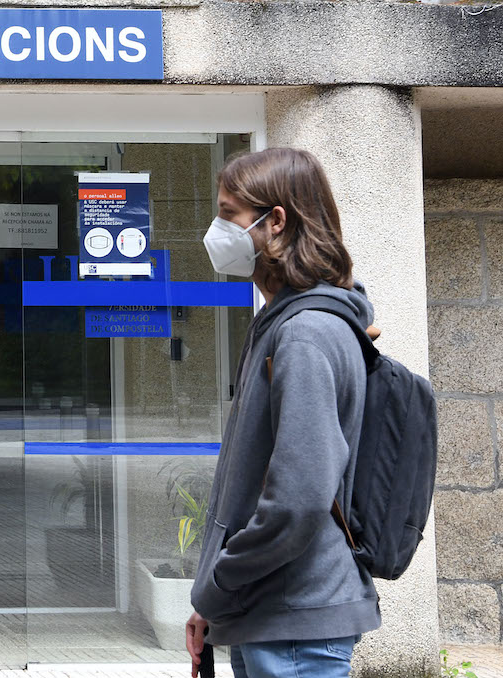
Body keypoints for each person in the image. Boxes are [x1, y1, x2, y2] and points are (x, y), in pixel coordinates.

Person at [185, 148, 381, 677]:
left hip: (293, 622)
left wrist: (218, 586)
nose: (217, 231)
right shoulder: (281, 323)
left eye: (229, 215)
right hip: (268, 614)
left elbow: (296, 502)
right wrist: (213, 600)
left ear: (275, 222)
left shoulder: (304, 334)